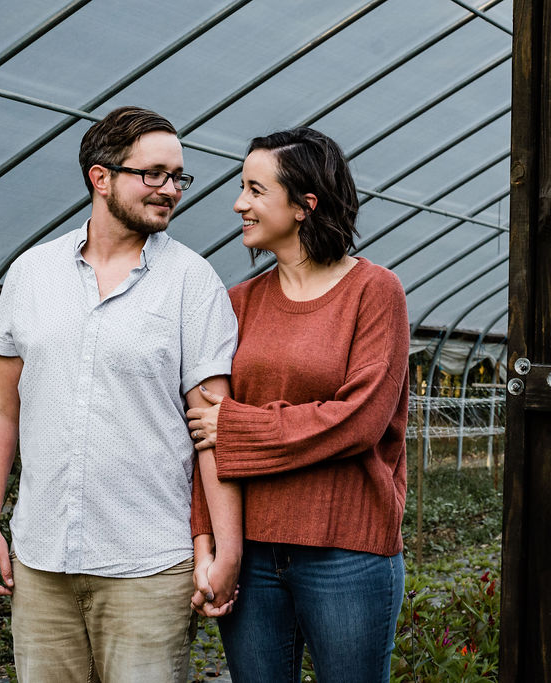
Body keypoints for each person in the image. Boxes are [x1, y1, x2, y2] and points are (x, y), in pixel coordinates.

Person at [0, 105, 242, 682]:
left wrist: (224, 549)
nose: (170, 190)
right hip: (41, 560)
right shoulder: (31, 273)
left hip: (148, 563)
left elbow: (212, 426)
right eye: (154, 174)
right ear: (101, 177)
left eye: (178, 177)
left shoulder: (193, 284)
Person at [187, 127, 409, 682]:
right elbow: (201, 440)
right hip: (252, 555)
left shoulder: (375, 292)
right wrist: (206, 542)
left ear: (305, 205)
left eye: (255, 190)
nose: (240, 203)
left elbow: (359, 420)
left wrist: (236, 426)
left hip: (347, 552)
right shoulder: (236, 303)